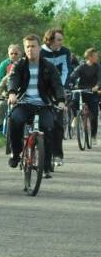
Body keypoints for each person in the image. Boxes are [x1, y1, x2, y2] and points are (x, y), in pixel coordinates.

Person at [7, 34, 65, 175]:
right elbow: (13, 79)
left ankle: (46, 166)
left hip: (44, 105)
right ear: (24, 49)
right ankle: (15, 153)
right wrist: (12, 93)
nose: (30, 49)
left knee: (48, 127)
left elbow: (57, 84)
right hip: (23, 103)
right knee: (15, 119)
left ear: (39, 48)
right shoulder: (19, 65)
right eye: (27, 46)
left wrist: (61, 100)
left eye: (33, 46)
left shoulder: (48, 66)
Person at [41, 28, 73, 166]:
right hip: (41, 89)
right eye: (58, 39)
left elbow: (66, 69)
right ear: (50, 40)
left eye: (62, 39)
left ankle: (58, 155)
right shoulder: (40, 52)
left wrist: (62, 88)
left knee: (58, 124)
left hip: (58, 89)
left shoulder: (65, 51)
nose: (61, 42)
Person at [68, 47, 100, 140]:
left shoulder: (97, 67)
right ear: (89, 57)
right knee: (74, 101)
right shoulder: (81, 66)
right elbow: (73, 75)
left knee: (94, 113)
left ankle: (93, 135)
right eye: (95, 56)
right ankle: (75, 117)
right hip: (82, 90)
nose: (97, 58)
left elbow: (100, 78)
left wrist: (97, 86)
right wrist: (71, 84)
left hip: (93, 91)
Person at [0, 44, 22, 133]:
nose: (13, 55)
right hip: (6, 90)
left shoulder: (24, 63)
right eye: (11, 53)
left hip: (20, 90)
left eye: (16, 53)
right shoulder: (4, 64)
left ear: (20, 53)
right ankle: (0, 123)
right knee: (2, 104)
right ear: (8, 54)